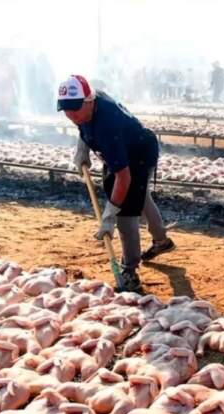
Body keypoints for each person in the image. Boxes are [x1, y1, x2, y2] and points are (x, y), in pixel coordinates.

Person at [57, 75, 176, 292]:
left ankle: (129, 270)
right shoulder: (88, 108)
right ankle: (161, 241)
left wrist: (109, 215)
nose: (71, 115)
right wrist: (82, 149)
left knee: (125, 213)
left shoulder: (107, 126)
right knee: (141, 197)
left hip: (138, 155)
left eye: (75, 109)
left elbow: (124, 178)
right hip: (122, 149)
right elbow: (83, 124)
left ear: (89, 101)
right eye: (66, 110)